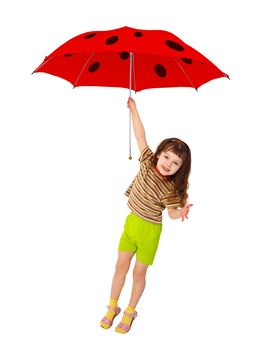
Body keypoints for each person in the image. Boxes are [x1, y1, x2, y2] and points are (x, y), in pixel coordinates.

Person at [100, 97, 193, 334]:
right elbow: (140, 135)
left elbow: (171, 213)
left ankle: (130, 310)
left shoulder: (172, 189)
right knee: (120, 266)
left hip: (150, 232)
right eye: (166, 157)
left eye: (176, 163)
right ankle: (113, 306)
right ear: (159, 153)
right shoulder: (146, 161)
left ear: (180, 168)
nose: (169, 164)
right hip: (131, 223)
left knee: (138, 272)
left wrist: (180, 211)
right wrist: (134, 109)